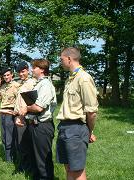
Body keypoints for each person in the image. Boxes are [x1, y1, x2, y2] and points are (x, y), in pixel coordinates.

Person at [56, 47, 98, 180]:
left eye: (61, 59)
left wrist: (89, 131)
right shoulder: (70, 79)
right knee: (68, 168)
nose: (60, 62)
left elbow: (91, 111)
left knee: (77, 171)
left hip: (75, 128)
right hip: (64, 127)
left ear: (69, 59)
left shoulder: (84, 78)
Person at [19, 59, 57, 180]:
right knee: (34, 159)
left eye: (34, 67)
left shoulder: (45, 84)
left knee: (43, 161)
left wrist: (26, 108)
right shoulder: (39, 83)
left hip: (42, 126)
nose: (31, 70)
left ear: (42, 69)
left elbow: (39, 107)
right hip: (34, 125)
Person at [14, 61, 36, 173]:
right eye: (19, 72)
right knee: (21, 144)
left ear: (28, 70)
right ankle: (24, 166)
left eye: (23, 71)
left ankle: (26, 168)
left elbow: (31, 103)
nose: (21, 74)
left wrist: (22, 116)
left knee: (24, 145)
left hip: (25, 117)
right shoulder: (22, 83)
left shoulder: (32, 83)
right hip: (19, 116)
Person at [0, 67, 20, 162]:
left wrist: (16, 113)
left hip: (11, 112)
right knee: (4, 135)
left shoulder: (16, 85)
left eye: (8, 75)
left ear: (12, 75)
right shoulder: (3, 86)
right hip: (3, 112)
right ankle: (8, 157)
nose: (6, 77)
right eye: (4, 75)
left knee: (10, 136)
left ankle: (12, 159)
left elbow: (20, 100)